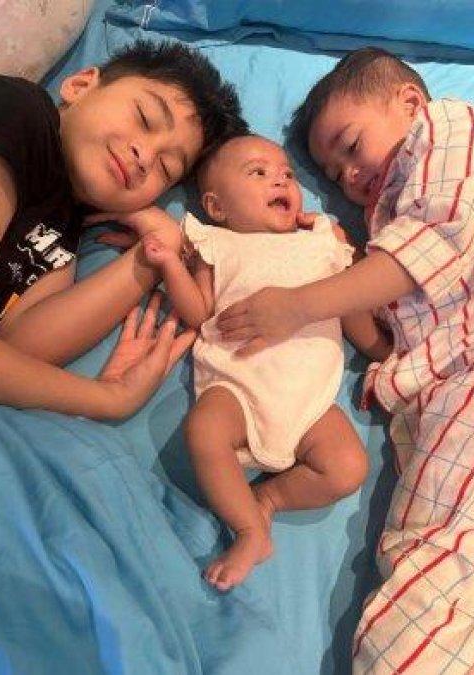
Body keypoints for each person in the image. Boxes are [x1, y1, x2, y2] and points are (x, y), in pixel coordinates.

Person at [219, 46, 474, 672]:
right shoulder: (386, 222)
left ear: (408, 103)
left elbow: (429, 247)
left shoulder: (453, 130)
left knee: (435, 575)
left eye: (350, 145)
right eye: (333, 173)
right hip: (458, 396)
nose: (348, 176)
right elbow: (391, 339)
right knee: (463, 587)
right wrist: (333, 259)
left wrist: (300, 304)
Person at [0, 39, 247, 418]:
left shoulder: (67, 220)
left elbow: (18, 349)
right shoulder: (11, 111)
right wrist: (108, 399)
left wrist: (156, 253)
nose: (145, 157)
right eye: (145, 118)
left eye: (166, 168)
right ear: (80, 85)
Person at [143, 135, 369, 590]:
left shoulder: (321, 239)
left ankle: (266, 500)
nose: (281, 181)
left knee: (348, 467)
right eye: (259, 173)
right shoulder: (216, 244)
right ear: (217, 206)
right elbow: (198, 311)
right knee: (204, 430)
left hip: (308, 400)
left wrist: (349, 251)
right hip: (239, 385)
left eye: (287, 174)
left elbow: (354, 300)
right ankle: (249, 531)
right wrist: (170, 266)